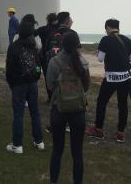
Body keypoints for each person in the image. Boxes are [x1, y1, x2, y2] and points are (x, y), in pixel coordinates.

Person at [46, 31, 90, 184]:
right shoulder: (83, 62)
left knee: (57, 150)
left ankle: (53, 181)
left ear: (62, 44)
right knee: (77, 153)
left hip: (58, 109)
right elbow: (86, 87)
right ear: (78, 44)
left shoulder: (54, 62)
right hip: (78, 111)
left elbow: (50, 86)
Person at [86, 19, 131, 143]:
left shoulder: (105, 39)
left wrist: (99, 53)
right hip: (126, 77)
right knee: (123, 104)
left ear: (107, 27)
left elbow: (100, 59)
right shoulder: (127, 40)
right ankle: (120, 133)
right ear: (118, 27)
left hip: (111, 77)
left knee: (102, 101)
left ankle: (98, 130)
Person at [5, 21, 44, 154]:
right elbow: (39, 66)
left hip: (18, 84)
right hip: (32, 84)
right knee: (35, 112)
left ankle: (17, 145)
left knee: (18, 114)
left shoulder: (13, 47)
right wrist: (36, 78)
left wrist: (11, 84)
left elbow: (9, 69)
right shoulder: (34, 47)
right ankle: (39, 142)